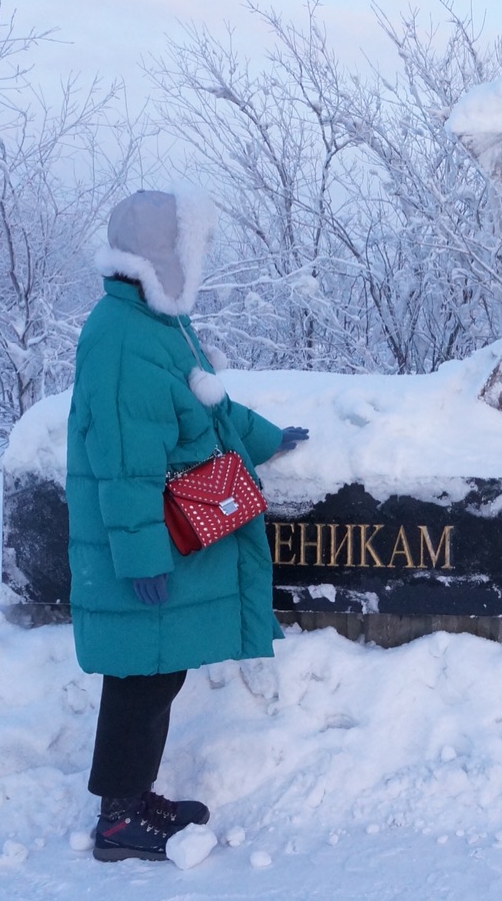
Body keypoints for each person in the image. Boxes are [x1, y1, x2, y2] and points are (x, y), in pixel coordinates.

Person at [66, 188, 308, 862]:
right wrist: (141, 555)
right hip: (150, 544)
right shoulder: (121, 338)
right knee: (139, 676)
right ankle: (117, 820)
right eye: (187, 249)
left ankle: (134, 795)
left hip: (165, 538)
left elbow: (207, 401)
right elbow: (122, 461)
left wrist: (265, 437)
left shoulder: (152, 322)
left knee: (155, 672)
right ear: (158, 256)